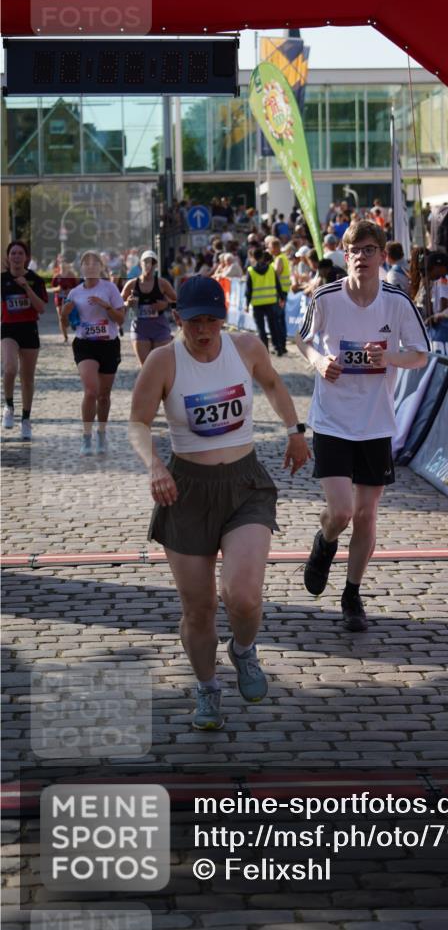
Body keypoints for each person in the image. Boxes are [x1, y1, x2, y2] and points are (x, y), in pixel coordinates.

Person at [129, 276, 309, 730]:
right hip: (186, 489)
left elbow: (272, 383)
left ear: (223, 319)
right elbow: (137, 422)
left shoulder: (245, 347)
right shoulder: (162, 362)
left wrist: (293, 431)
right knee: (199, 608)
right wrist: (155, 465)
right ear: (178, 319)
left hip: (244, 483)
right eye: (195, 322)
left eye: (212, 320)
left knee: (242, 597)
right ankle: (207, 688)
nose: (204, 330)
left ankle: (244, 650)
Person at [296, 219, 430, 632]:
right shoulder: (327, 297)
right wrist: (319, 361)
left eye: (368, 250)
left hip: (375, 423)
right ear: (345, 255)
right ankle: (324, 543)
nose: (360, 258)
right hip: (333, 420)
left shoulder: (396, 301)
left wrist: (388, 358)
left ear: (381, 255)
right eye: (353, 251)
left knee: (367, 515)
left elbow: (421, 354)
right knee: (341, 511)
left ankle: (352, 594)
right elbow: (302, 339)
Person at [61, 250, 125, 455]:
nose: (90, 266)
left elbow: (121, 319)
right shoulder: (74, 293)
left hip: (108, 345)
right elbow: (69, 323)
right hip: (85, 344)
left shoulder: (110, 288)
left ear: (100, 267)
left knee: (104, 396)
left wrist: (106, 306)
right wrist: (64, 314)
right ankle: (86, 437)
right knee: (91, 391)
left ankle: (102, 434)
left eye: (94, 263)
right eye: (86, 263)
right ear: (81, 268)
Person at [1, 239, 48, 441]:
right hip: (9, 329)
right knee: (10, 368)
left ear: (26, 258)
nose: (17, 257)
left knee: (27, 378)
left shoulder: (35, 280)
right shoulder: (2, 279)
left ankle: (26, 419)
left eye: (20, 253)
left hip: (29, 330)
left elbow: (41, 308)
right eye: (13, 253)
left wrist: (26, 288)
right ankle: (9, 405)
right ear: (8, 257)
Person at [121, 250, 176, 365]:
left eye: (152, 262)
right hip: (139, 327)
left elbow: (177, 301)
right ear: (140, 264)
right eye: (145, 262)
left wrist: (166, 305)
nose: (148, 265)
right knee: (146, 366)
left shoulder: (162, 283)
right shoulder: (131, 284)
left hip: (159, 327)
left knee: (161, 364)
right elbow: (118, 303)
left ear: (155, 265)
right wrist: (127, 303)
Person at [245, 249, 286, 356]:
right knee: (274, 326)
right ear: (263, 257)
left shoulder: (250, 271)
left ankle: (264, 351)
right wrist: (281, 297)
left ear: (253, 257)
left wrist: (246, 304)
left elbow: (248, 290)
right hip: (271, 302)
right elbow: (278, 285)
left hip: (257, 304)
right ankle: (278, 348)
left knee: (261, 329)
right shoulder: (271, 269)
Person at [52, 259, 80, 343]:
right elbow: (52, 288)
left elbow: (78, 288)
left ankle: (73, 325)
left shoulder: (72, 276)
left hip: (70, 299)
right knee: (61, 317)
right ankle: (65, 337)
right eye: (61, 265)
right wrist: (58, 289)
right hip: (59, 299)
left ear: (68, 266)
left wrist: (70, 290)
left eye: (65, 265)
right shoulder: (56, 276)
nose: (63, 267)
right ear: (59, 266)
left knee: (71, 315)